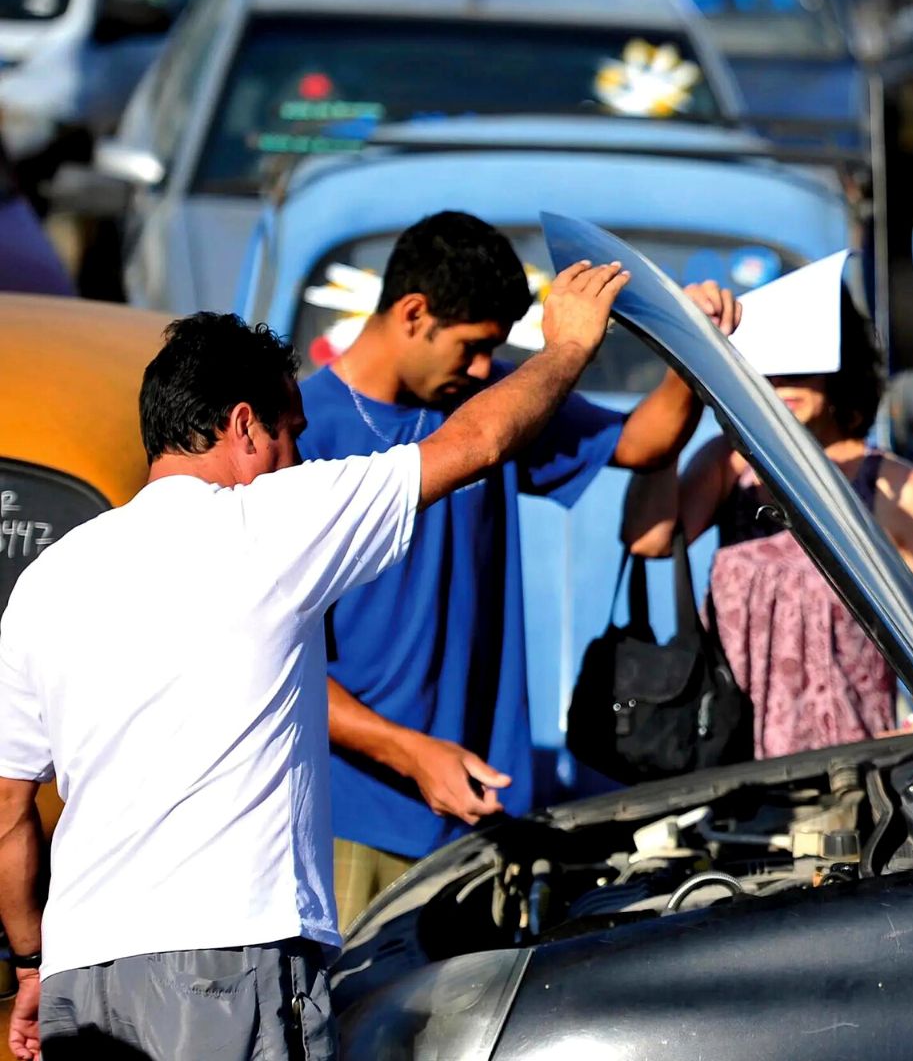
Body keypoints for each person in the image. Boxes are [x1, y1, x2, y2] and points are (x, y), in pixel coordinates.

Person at [0, 260, 632, 1061]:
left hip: (80, 977)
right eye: (290, 430)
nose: (300, 454)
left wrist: (32, 964)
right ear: (243, 426)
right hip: (227, 961)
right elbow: (476, 443)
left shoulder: (48, 578)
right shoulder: (269, 521)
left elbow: (9, 814)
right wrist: (569, 346)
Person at [298, 211, 743, 930]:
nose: (482, 371)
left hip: (482, 820)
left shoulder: (492, 404)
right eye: (474, 348)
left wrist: (692, 351)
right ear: (413, 314)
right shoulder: (306, 434)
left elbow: (641, 440)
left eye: (495, 353)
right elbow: (268, 660)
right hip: (351, 820)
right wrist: (410, 753)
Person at [624, 274, 913, 759]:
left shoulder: (889, 483)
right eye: (766, 365)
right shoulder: (729, 465)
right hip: (728, 760)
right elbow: (646, 540)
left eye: (802, 363)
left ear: (840, 367)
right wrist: (680, 389)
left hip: (849, 773)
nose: (783, 380)